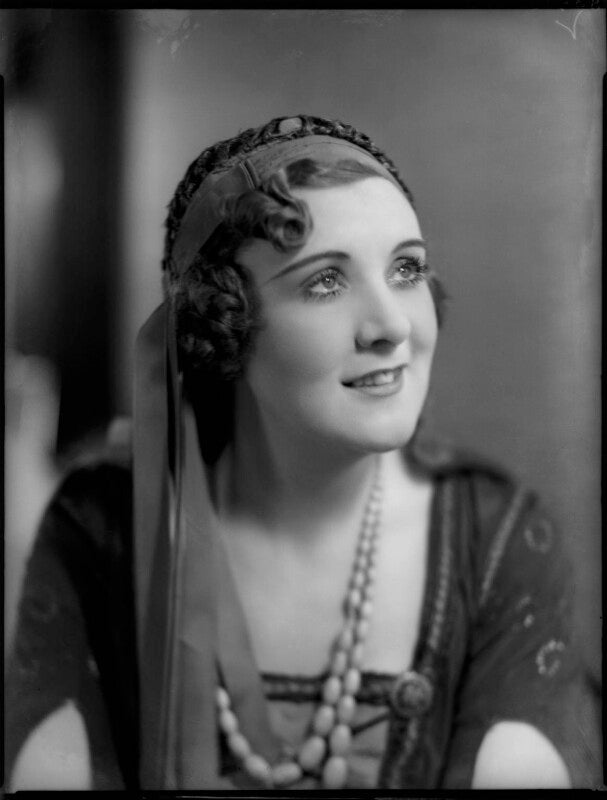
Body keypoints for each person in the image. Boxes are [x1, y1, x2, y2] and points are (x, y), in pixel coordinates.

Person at [6, 114, 600, 790]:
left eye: (406, 269)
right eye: (325, 282)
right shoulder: (96, 535)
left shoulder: (497, 544)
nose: (391, 325)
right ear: (224, 326)